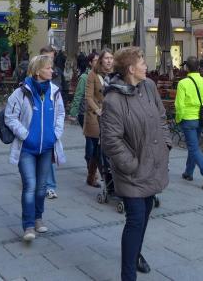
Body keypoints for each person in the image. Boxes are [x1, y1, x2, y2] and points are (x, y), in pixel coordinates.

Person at [101, 47, 171, 281]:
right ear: (131, 69)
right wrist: (131, 164)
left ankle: (136, 255)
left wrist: (166, 144)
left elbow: (162, 117)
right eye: (142, 62)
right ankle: (128, 275)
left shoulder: (149, 86)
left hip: (153, 164)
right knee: (135, 219)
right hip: (131, 171)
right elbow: (111, 141)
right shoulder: (113, 99)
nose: (145, 66)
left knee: (145, 215)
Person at [3, 54, 65, 242]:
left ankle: (38, 218)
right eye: (48, 68)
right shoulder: (21, 92)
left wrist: (55, 134)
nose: (52, 71)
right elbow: (9, 117)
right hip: (26, 149)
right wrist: (25, 135)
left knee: (41, 187)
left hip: (46, 148)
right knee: (30, 185)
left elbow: (61, 114)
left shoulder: (54, 91)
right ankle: (28, 225)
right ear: (37, 71)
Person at [174, 56, 203, 189]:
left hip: (188, 119)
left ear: (187, 68)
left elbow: (179, 105)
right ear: (198, 67)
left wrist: (178, 118)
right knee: (194, 146)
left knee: (193, 148)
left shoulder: (183, 83)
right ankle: (188, 172)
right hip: (200, 119)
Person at [84, 49, 113, 188]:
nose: (109, 60)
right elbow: (88, 97)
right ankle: (104, 179)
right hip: (95, 116)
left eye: (111, 58)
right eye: (106, 58)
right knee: (96, 147)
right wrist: (97, 110)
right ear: (101, 60)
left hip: (111, 115)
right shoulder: (93, 75)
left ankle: (92, 176)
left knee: (102, 149)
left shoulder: (115, 74)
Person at [39, 45, 62, 199]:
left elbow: (60, 93)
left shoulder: (56, 72)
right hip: (36, 123)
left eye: (52, 58)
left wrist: (58, 129)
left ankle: (49, 185)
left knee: (48, 154)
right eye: (48, 58)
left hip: (50, 121)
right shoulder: (32, 73)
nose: (51, 62)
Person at [70, 52, 96, 127]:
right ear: (90, 62)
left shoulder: (104, 76)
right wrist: (73, 112)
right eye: (96, 60)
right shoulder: (84, 77)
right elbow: (78, 95)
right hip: (86, 113)